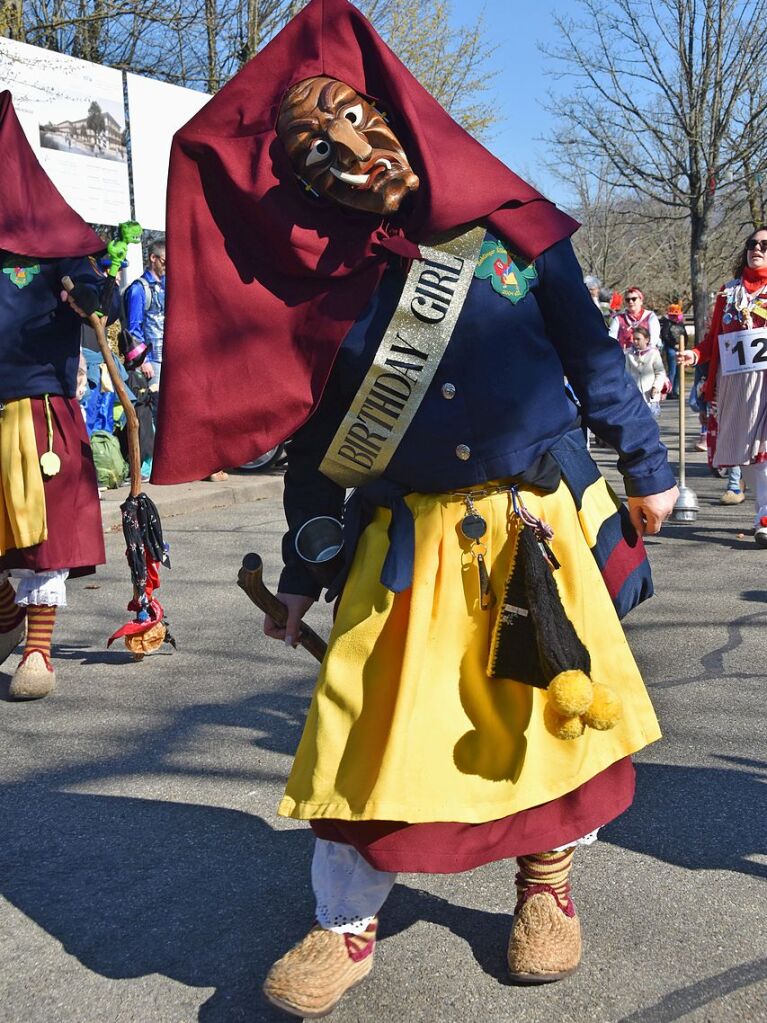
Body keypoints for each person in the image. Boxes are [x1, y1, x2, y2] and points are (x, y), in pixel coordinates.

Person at [151, 1, 678, 1015]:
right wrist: (303, 574)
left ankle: (546, 888)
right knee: (369, 735)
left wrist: (646, 465)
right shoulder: (307, 292)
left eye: (353, 117)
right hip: (405, 542)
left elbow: (590, 354)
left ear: (391, 113)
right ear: (293, 178)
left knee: (547, 723)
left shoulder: (506, 224)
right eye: (314, 141)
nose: (347, 146)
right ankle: (345, 925)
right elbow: (316, 458)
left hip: (537, 520)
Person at [0, 91, 110, 699]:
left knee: (42, 536)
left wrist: (90, 295)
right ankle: (8, 617)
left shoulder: (54, 237)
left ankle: (37, 649)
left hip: (34, 410)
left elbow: (100, 286)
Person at [679, 225, 767, 545]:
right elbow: (714, 338)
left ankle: (764, 516)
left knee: (766, 449)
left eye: (765, 245)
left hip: (766, 380)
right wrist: (696, 354)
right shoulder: (728, 292)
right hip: (737, 383)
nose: (757, 248)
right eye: (752, 243)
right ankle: (762, 510)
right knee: (751, 455)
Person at [123, 238, 165, 412]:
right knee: (156, 408)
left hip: (169, 356)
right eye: (164, 261)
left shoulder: (167, 286)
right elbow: (133, 329)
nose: (167, 266)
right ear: (153, 258)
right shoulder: (138, 289)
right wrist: (144, 360)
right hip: (152, 360)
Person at [625, 326, 666, 417]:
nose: (635, 342)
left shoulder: (654, 353)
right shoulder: (628, 354)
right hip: (634, 395)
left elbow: (660, 372)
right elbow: (626, 373)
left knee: (650, 422)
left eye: (638, 339)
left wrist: (656, 387)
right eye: (634, 339)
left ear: (646, 339)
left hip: (650, 395)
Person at [658, 303, 687, 398]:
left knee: (680, 371)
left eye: (676, 315)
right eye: (673, 315)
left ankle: (675, 390)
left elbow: (685, 335)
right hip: (671, 348)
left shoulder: (681, 324)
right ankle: (669, 391)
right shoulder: (667, 323)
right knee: (673, 371)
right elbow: (665, 336)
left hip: (681, 348)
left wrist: (683, 346)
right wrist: (674, 345)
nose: (675, 317)